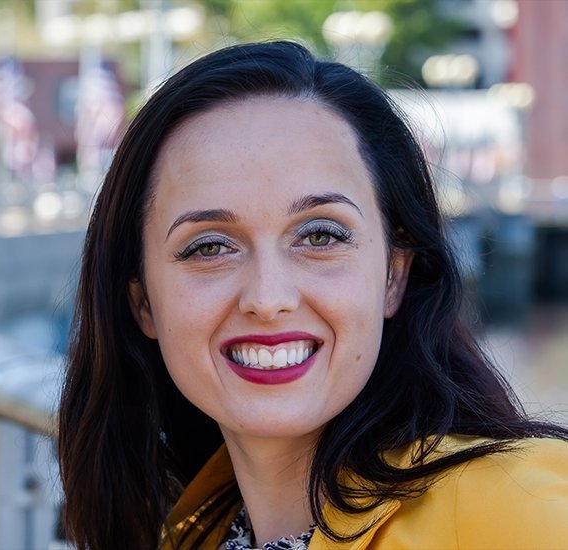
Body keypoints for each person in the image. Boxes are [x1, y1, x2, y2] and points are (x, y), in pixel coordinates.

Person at [58, 41, 568, 550]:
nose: (268, 298)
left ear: (394, 275)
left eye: (321, 235)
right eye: (209, 246)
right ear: (143, 301)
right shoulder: (186, 536)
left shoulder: (517, 513)